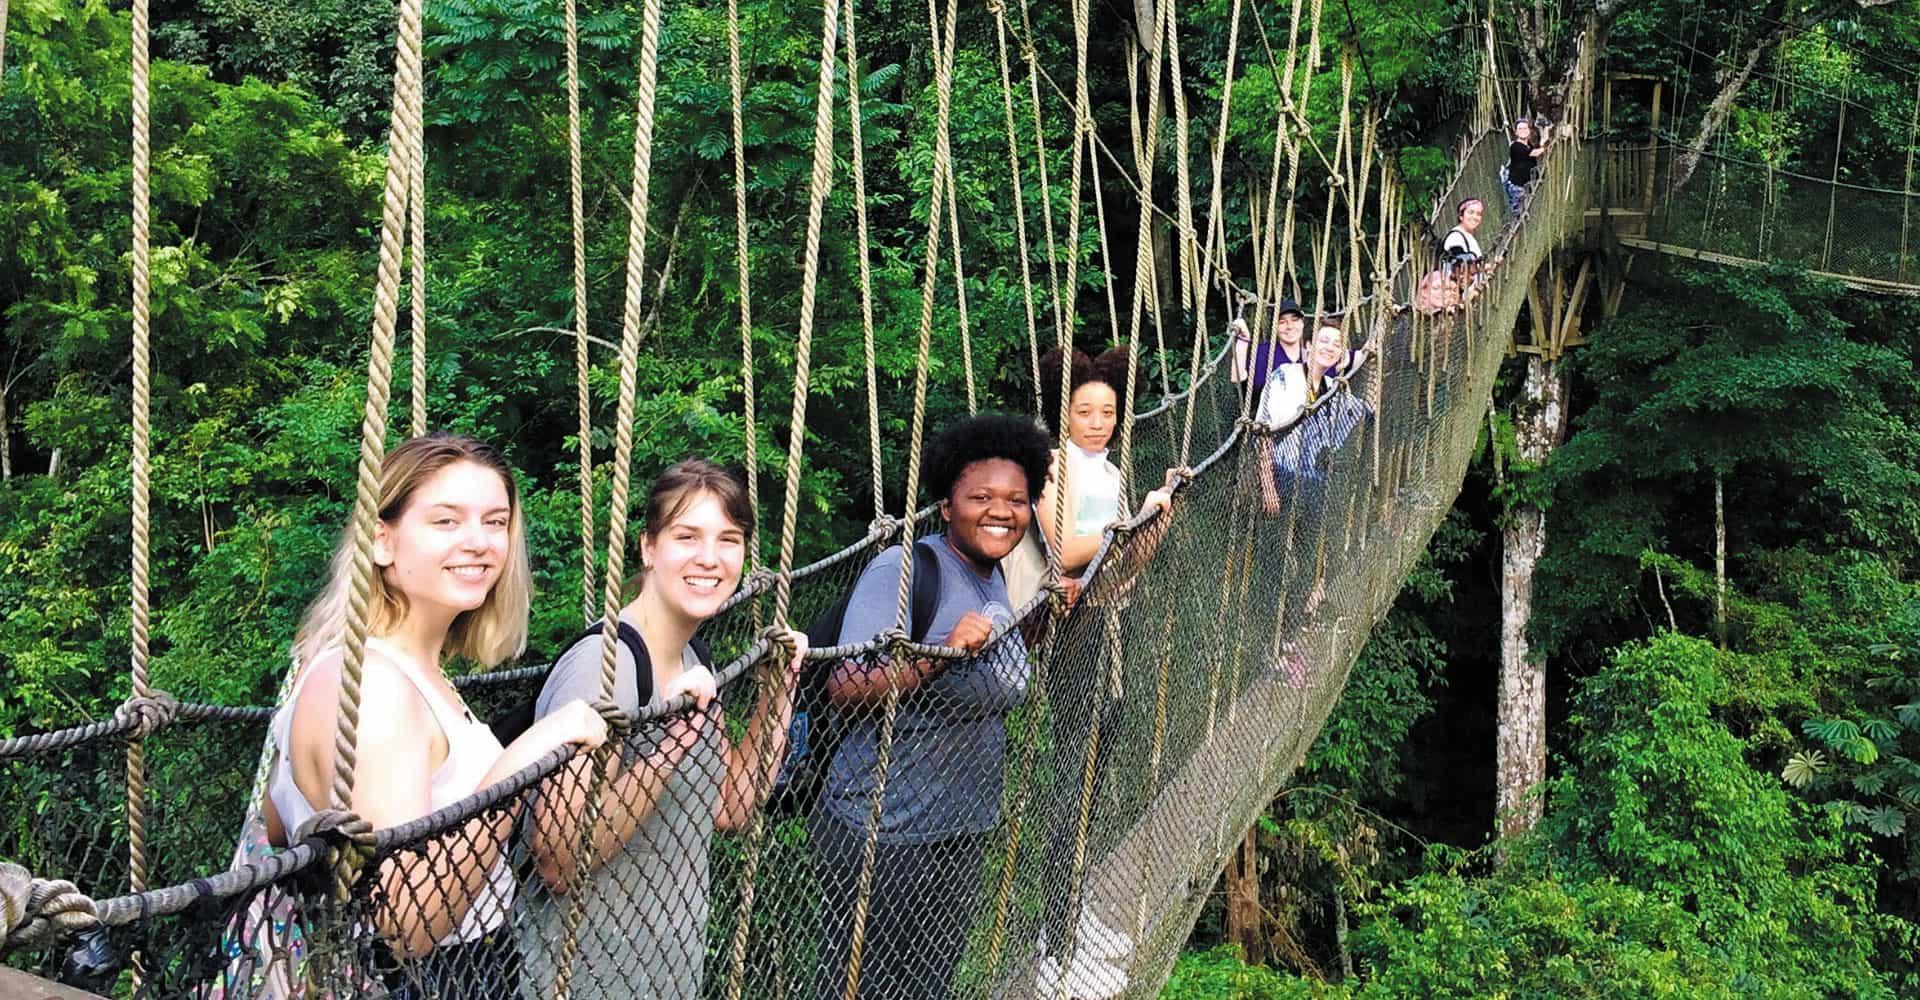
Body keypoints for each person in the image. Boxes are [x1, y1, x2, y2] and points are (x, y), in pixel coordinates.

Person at [261, 433, 610, 998]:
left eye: (495, 522)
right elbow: (403, 924)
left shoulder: (382, 667)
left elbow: (281, 823)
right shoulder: (374, 684)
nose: (479, 543)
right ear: (381, 541)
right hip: (427, 980)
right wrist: (524, 762)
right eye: (446, 521)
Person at [520, 460, 809, 1000]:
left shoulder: (691, 653)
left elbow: (730, 807)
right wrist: (674, 740)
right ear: (648, 548)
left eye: (729, 538)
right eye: (687, 536)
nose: (710, 557)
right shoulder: (604, 667)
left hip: (667, 970)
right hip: (584, 979)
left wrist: (779, 692)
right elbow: (559, 860)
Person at [811, 413, 1053, 1000]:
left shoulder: (991, 576)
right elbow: (844, 684)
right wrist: (937, 658)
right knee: (862, 987)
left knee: (930, 985)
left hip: (960, 829)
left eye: (1017, 500)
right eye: (982, 497)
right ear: (947, 507)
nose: (1002, 511)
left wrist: (1042, 618)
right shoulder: (904, 570)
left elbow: (993, 670)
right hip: (882, 833)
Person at [1028, 345, 1178, 998]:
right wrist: (1129, 525)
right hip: (1069, 636)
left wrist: (1153, 522)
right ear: (1064, 413)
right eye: (1084, 410)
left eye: (1107, 410)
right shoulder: (1051, 465)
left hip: (1110, 625)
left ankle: (1076, 923)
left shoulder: (1111, 471)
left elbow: (1127, 563)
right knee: (1070, 786)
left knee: (1094, 780)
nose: (1097, 420)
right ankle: (1050, 946)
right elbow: (1061, 549)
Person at [1228, 298, 1308, 398]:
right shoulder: (1263, 353)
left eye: (1295, 320)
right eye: (1282, 322)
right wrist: (1243, 341)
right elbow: (1237, 377)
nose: (1290, 326)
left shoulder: (1311, 355)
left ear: (1302, 323)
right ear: (1275, 327)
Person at [1504, 118, 1548, 213]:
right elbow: (1535, 153)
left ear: (1529, 131)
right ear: (1516, 132)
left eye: (1525, 128)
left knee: (1526, 208)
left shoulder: (1528, 145)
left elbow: (1539, 147)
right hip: (1517, 186)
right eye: (1520, 129)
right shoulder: (1515, 146)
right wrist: (1546, 147)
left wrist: (1545, 131)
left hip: (1525, 185)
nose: (1523, 131)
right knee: (1519, 212)